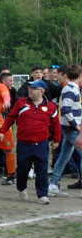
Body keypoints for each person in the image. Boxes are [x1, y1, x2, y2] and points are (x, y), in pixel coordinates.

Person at [0, 80, 61, 204]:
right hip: (24, 144)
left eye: (33, 88)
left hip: (41, 144)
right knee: (23, 168)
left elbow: (56, 125)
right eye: (30, 87)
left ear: (41, 91)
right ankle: (21, 188)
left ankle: (42, 195)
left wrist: (56, 140)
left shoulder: (51, 107)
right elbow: (10, 118)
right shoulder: (21, 103)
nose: (30, 90)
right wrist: (2, 131)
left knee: (42, 170)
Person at [48, 65, 82, 197]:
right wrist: (76, 125)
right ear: (79, 76)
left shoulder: (71, 88)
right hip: (71, 128)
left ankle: (53, 184)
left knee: (64, 156)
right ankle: (53, 184)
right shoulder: (71, 89)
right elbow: (66, 109)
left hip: (69, 128)